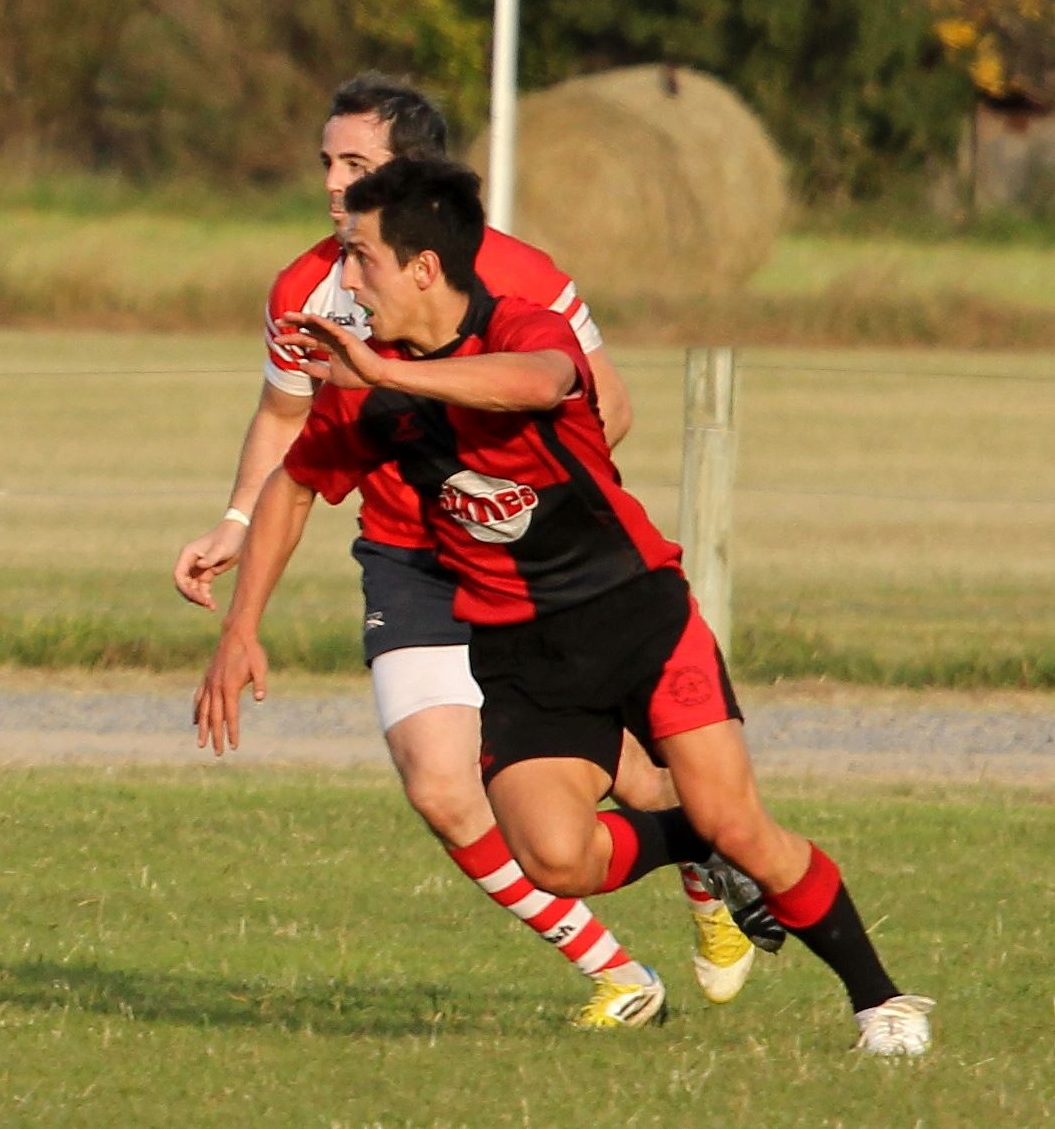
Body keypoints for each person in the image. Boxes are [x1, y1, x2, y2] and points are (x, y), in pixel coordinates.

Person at [196, 156, 933, 1056]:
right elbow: (294, 484)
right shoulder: (370, 388)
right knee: (555, 858)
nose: (345, 281)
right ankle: (690, 841)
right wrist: (241, 626)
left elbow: (540, 382)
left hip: (636, 616)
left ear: (423, 267)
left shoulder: (516, 325)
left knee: (741, 823)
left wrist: (385, 376)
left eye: (361, 258)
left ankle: (880, 1001)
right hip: (520, 653)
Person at [173, 73, 774, 1027]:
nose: (330, 181)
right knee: (439, 784)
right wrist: (236, 523)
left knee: (632, 774)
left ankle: (701, 860)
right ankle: (619, 975)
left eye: (354, 162)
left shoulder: (520, 274)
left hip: (523, 563)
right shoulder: (304, 288)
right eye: (326, 160)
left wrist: (509, 502)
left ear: (410, 174)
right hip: (404, 558)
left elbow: (607, 405)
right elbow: (286, 420)